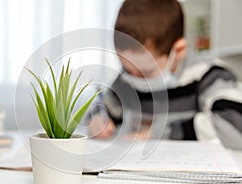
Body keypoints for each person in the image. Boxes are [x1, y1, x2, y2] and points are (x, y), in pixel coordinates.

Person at [88, 0, 242, 149]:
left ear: (179, 51)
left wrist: (159, 133)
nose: (135, 78)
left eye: (146, 71)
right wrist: (98, 121)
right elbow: (101, 111)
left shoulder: (209, 77)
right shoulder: (125, 81)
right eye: (127, 68)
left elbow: (234, 124)